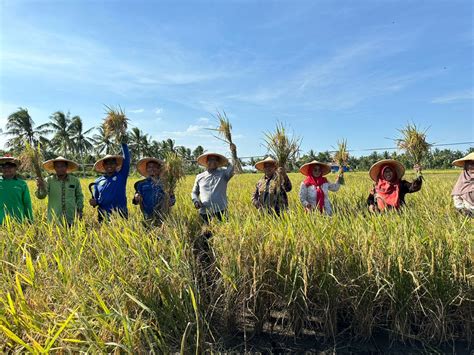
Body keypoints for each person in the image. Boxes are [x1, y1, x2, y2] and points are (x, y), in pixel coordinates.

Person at [89, 140, 130, 222]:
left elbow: (127, 160)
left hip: (120, 213)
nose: (109, 165)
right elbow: (97, 199)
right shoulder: (98, 181)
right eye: (107, 164)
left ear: (116, 165)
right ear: (103, 166)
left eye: (112, 163)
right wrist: (94, 202)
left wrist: (123, 142)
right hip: (103, 214)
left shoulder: (121, 175)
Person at [36, 157, 84, 225]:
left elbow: (79, 196)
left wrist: (80, 210)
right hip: (54, 219)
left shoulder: (75, 180)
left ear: (66, 167)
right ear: (54, 168)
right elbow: (41, 196)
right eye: (57, 167)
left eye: (62, 166)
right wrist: (40, 187)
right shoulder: (48, 180)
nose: (60, 169)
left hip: (71, 217)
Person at [191, 152, 234, 224]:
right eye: (210, 160)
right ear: (206, 162)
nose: (212, 162)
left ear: (218, 162)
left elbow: (232, 166)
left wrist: (232, 153)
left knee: (223, 232)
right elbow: (194, 192)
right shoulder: (199, 176)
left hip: (221, 210)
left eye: (215, 160)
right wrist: (196, 200)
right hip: (204, 211)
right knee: (206, 233)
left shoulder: (224, 174)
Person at [133, 157, 176, 227]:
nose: (152, 169)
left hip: (163, 217)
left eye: (155, 167)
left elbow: (172, 199)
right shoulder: (141, 184)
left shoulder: (166, 184)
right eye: (149, 167)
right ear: (146, 169)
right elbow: (135, 200)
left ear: (159, 170)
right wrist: (136, 197)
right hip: (147, 216)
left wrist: (170, 201)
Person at [0, 156, 33, 224]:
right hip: (1, 222)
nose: (7, 169)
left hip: (19, 222)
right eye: (4, 166)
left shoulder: (22, 184)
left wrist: (30, 220)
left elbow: (27, 203)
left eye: (10, 166)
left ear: (15, 168)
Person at [451, 152, 474, 216]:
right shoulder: (462, 181)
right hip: (468, 214)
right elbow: (457, 198)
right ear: (466, 165)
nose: (473, 166)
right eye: (471, 164)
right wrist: (464, 211)